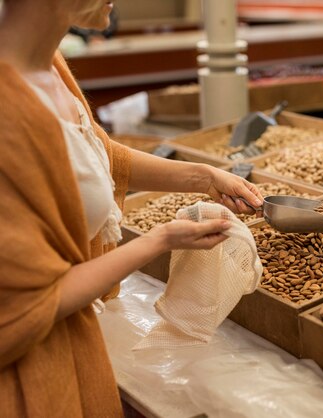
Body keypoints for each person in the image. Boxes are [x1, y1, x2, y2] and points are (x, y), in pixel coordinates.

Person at [0, 1, 264, 416]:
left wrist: (205, 176)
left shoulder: (47, 62)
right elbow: (24, 308)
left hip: (78, 347)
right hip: (32, 386)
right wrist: (162, 239)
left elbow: (95, 155)